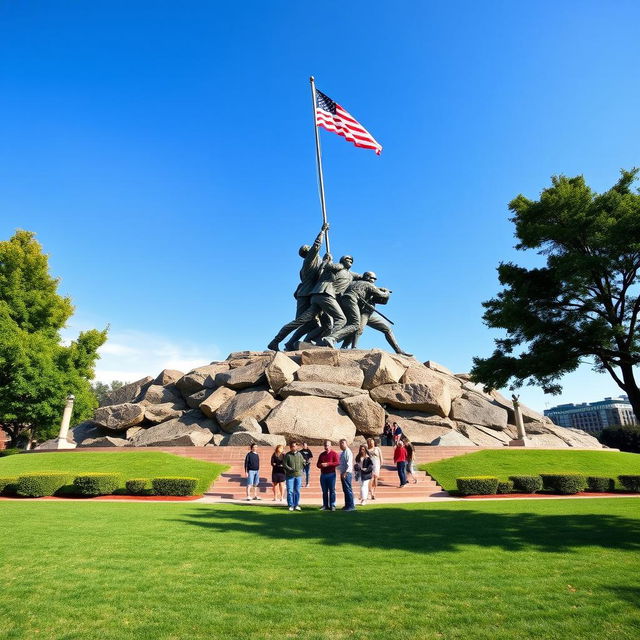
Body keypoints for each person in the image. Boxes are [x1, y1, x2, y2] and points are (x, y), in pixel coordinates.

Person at [323, 271, 390, 347]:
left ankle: (338, 342)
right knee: (355, 324)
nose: (373, 281)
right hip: (352, 300)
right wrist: (386, 292)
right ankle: (332, 338)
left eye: (375, 279)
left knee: (350, 323)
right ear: (367, 277)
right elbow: (383, 295)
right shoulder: (368, 284)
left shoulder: (353, 282)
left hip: (343, 301)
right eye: (372, 278)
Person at [316, 439, 340, 511]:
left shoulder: (334, 453)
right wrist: (321, 465)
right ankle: (325, 505)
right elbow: (318, 464)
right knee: (324, 491)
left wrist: (328, 464)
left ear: (330, 446)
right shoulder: (322, 454)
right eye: (325, 445)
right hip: (323, 475)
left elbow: (337, 463)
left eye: (328, 445)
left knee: (332, 490)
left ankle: (332, 505)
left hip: (331, 474)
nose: (326, 447)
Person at [283, 441, 304, 511]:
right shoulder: (287, 455)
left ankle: (296, 504)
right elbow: (284, 464)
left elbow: (302, 462)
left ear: (296, 447)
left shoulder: (299, 454)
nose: (293, 447)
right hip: (290, 476)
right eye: (291, 446)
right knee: (290, 491)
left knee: (297, 490)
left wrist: (304, 464)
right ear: (290, 447)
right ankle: (291, 505)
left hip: (298, 475)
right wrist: (290, 469)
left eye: (294, 446)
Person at [338, 438, 355, 511]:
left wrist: (345, 473)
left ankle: (351, 506)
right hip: (343, 473)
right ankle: (347, 505)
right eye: (340, 443)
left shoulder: (348, 452)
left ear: (346, 444)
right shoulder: (343, 452)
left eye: (343, 443)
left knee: (348, 490)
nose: (341, 445)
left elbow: (349, 464)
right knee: (345, 490)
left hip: (347, 474)